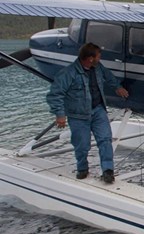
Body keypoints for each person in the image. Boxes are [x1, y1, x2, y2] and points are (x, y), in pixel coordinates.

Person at [46, 42, 129, 183]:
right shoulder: (68, 73)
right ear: (90, 58)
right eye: (98, 56)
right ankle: (82, 168)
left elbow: (108, 76)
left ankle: (108, 171)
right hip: (78, 115)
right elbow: (55, 95)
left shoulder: (98, 68)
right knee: (82, 145)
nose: (100, 58)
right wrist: (60, 114)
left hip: (98, 110)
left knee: (105, 139)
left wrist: (117, 87)